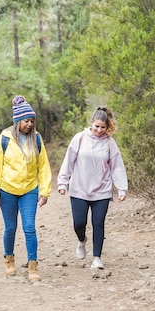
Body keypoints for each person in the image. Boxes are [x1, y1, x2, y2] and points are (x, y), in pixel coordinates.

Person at [0, 95, 52, 282]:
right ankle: (9, 260)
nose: (30, 124)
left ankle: (33, 266)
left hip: (29, 190)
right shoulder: (4, 139)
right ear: (17, 121)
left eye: (32, 121)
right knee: (10, 228)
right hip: (7, 190)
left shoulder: (37, 139)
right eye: (26, 121)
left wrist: (44, 191)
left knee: (30, 227)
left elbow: (44, 166)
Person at [57, 106, 128, 270]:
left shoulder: (110, 143)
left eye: (103, 127)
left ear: (107, 126)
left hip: (102, 190)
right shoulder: (80, 138)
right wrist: (63, 182)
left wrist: (122, 188)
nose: (99, 130)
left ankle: (97, 258)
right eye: (97, 126)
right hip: (79, 189)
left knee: (98, 223)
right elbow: (69, 161)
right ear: (91, 123)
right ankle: (82, 241)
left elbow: (117, 166)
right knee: (79, 223)